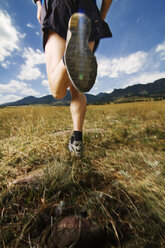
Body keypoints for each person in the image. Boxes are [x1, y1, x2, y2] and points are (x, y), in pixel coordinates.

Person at [33, 0, 113, 156]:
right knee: (78, 85)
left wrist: (38, 4)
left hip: (58, 5)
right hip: (88, 10)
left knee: (58, 91)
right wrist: (100, 17)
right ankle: (77, 142)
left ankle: (68, 56)